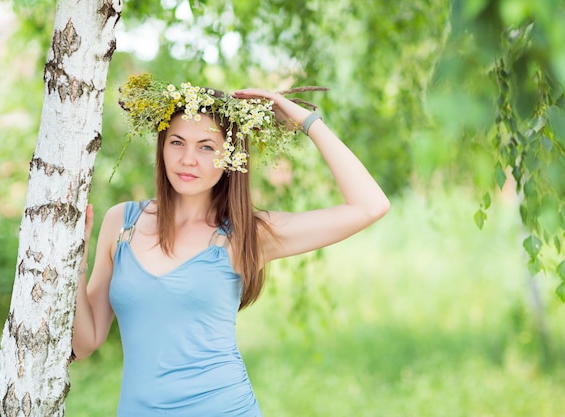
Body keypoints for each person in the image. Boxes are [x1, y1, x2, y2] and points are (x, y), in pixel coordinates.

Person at [71, 75, 390, 417]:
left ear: (230, 158)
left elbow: (370, 206)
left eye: (206, 147)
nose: (188, 159)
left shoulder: (247, 233)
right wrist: (73, 263)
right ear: (162, 147)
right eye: (177, 142)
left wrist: (303, 118)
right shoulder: (123, 224)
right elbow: (86, 342)